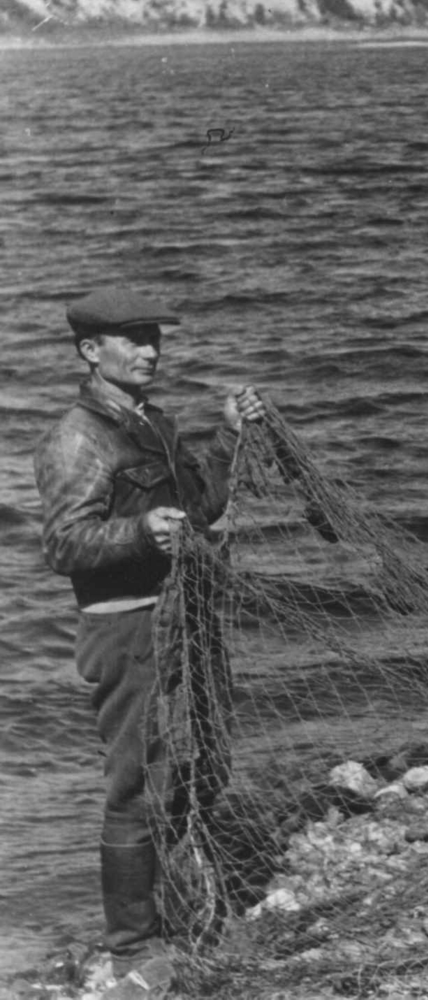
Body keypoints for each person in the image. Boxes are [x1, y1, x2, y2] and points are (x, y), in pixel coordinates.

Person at [33, 286, 266, 997]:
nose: (150, 350)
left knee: (205, 758)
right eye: (132, 338)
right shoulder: (77, 436)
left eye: (154, 338)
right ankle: (132, 948)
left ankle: (182, 900)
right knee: (136, 784)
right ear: (89, 352)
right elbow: (62, 545)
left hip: (186, 618)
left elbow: (203, 507)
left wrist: (230, 435)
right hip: (129, 627)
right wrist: (138, 532)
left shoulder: (153, 423)